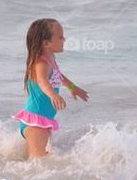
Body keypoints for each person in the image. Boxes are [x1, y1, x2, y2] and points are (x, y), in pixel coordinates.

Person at [14, 18, 89, 158]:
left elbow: (58, 75)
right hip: (35, 122)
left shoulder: (51, 59)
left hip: (42, 120)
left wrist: (72, 87)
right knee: (38, 162)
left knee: (37, 160)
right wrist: (53, 95)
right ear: (46, 43)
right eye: (60, 37)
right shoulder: (41, 63)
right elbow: (42, 81)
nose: (64, 39)